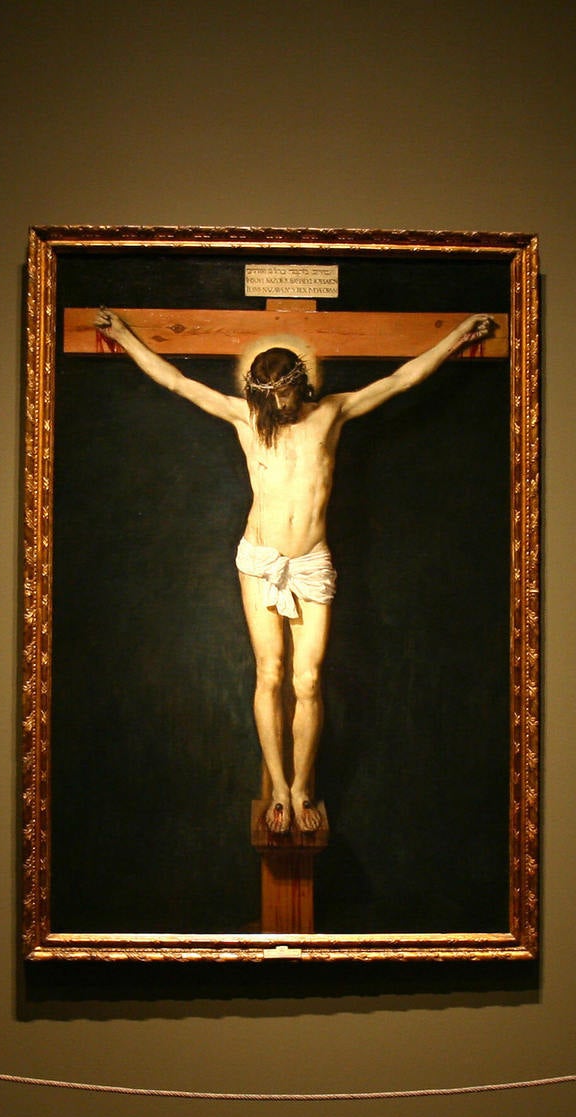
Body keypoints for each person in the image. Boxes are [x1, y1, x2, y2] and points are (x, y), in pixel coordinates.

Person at [94, 307, 495, 835]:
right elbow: (176, 381)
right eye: (263, 398)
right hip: (259, 560)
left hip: (309, 562)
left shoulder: (331, 413)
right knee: (270, 672)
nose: (272, 407)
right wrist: (123, 336)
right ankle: (279, 791)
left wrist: (459, 336)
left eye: (279, 397)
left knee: (308, 680)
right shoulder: (246, 417)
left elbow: (404, 378)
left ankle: (304, 785)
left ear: (298, 386)